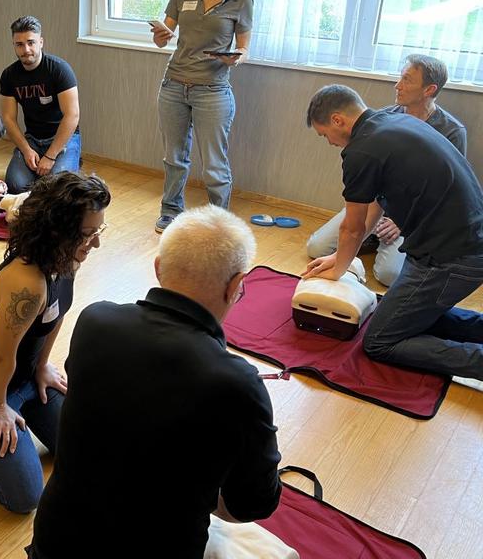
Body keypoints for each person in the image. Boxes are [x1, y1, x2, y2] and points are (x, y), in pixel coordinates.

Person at [28, 205, 282, 559]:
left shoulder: (94, 321)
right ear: (237, 286)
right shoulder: (236, 382)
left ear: (159, 268)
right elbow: (253, 504)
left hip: (54, 545)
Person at [0, 172, 111, 513]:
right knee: (25, 498)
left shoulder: (68, 258)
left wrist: (42, 365)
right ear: (56, 233)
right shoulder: (26, 284)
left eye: (99, 231)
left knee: (85, 450)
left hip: (25, 379)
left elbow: (58, 313)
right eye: (87, 234)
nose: (95, 244)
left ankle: (5, 406)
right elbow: (0, 356)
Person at [304, 84, 483, 381]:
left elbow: (352, 226)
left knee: (379, 341)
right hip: (460, 243)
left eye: (324, 135)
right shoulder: (394, 120)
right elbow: (375, 208)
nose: (329, 142)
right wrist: (340, 258)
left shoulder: (361, 150)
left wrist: (338, 270)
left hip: (452, 257)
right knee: (404, 316)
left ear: (338, 120)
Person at [306, 55, 467, 286]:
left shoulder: (451, 131)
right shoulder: (384, 118)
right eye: (400, 77)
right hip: (380, 205)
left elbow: (444, 190)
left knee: (388, 275)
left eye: (407, 80)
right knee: (317, 248)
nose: (398, 85)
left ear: (429, 89)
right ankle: (369, 241)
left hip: (415, 216)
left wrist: (400, 222)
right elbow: (372, 195)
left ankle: (372, 242)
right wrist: (357, 233)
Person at [151, 0, 253, 234]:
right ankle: (170, 211)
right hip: (174, 86)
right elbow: (163, 39)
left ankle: (218, 221)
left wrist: (235, 57)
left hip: (214, 92)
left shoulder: (241, 1)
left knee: (214, 165)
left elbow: (244, 47)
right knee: (174, 158)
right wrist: (160, 34)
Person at [1, 16, 81, 194]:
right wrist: (26, 150)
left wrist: (51, 156)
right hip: (33, 139)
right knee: (15, 186)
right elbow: (8, 118)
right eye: (19, 44)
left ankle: (66, 164)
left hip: (63, 138)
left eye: (31, 42)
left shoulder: (59, 69)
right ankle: (43, 175)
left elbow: (72, 115)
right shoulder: (9, 75)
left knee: (58, 188)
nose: (26, 49)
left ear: (41, 42)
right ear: (14, 45)